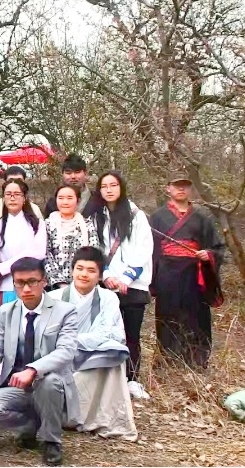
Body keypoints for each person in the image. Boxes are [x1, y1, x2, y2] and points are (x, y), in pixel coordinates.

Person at [0, 257, 79, 467]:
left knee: (49, 382)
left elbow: (66, 351)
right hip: (16, 388)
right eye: (20, 283)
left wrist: (33, 369)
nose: (26, 288)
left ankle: (51, 441)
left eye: (32, 281)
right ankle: (30, 427)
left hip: (50, 386)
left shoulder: (65, 311)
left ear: (44, 281)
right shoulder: (6, 311)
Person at [48, 246, 138, 441]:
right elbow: (48, 336)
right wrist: (70, 343)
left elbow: (114, 334)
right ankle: (64, 415)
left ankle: (102, 418)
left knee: (114, 357)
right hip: (62, 359)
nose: (84, 275)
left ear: (99, 276)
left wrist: (74, 340)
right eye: (79, 269)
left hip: (93, 357)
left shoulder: (108, 298)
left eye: (91, 270)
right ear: (72, 270)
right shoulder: (54, 298)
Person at [85, 171, 154, 401]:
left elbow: (144, 248)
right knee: (106, 332)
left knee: (131, 334)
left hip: (133, 285)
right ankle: (108, 378)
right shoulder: (96, 216)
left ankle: (132, 379)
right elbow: (95, 248)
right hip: (107, 284)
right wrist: (105, 274)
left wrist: (127, 278)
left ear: (121, 187)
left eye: (113, 185)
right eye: (104, 186)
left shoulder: (136, 215)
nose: (109, 190)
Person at [148, 174, 226, 371]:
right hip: (167, 273)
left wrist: (208, 254)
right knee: (168, 315)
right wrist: (153, 276)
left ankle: (197, 360)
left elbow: (217, 247)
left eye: (185, 185)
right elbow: (149, 248)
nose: (181, 189)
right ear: (168, 188)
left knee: (197, 316)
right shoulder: (157, 217)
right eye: (177, 185)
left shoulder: (202, 218)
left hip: (194, 274)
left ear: (190, 189)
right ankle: (168, 359)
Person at [0, 178, 47, 305]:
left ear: (24, 198)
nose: (12, 198)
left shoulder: (37, 224)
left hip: (31, 284)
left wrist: (3, 268)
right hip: (6, 286)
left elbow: (38, 253)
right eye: (8, 194)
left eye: (17, 194)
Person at [44, 185, 100, 291]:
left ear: (77, 200)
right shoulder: (47, 225)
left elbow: (94, 252)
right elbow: (46, 255)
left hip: (84, 283)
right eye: (61, 198)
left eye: (70, 198)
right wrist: (60, 283)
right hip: (56, 287)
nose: (65, 202)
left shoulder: (87, 224)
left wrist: (82, 280)